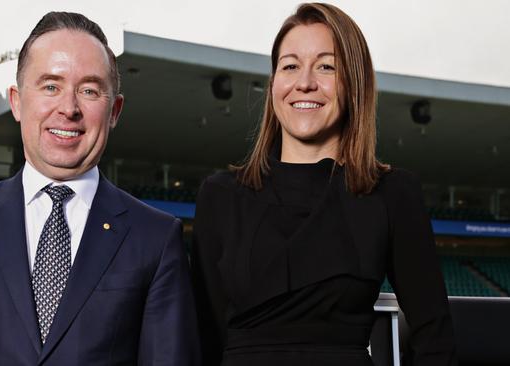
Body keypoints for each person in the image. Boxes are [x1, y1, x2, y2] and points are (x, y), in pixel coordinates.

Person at [0, 12, 199, 366]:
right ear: (16, 101)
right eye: (51, 86)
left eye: (89, 90)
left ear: (114, 111)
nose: (68, 108)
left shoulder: (156, 238)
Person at [191, 3, 457, 366]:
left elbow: (435, 343)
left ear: (354, 83)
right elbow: (201, 341)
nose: (305, 82)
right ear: (273, 84)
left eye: (326, 66)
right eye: (290, 66)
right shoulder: (219, 195)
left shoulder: (392, 194)